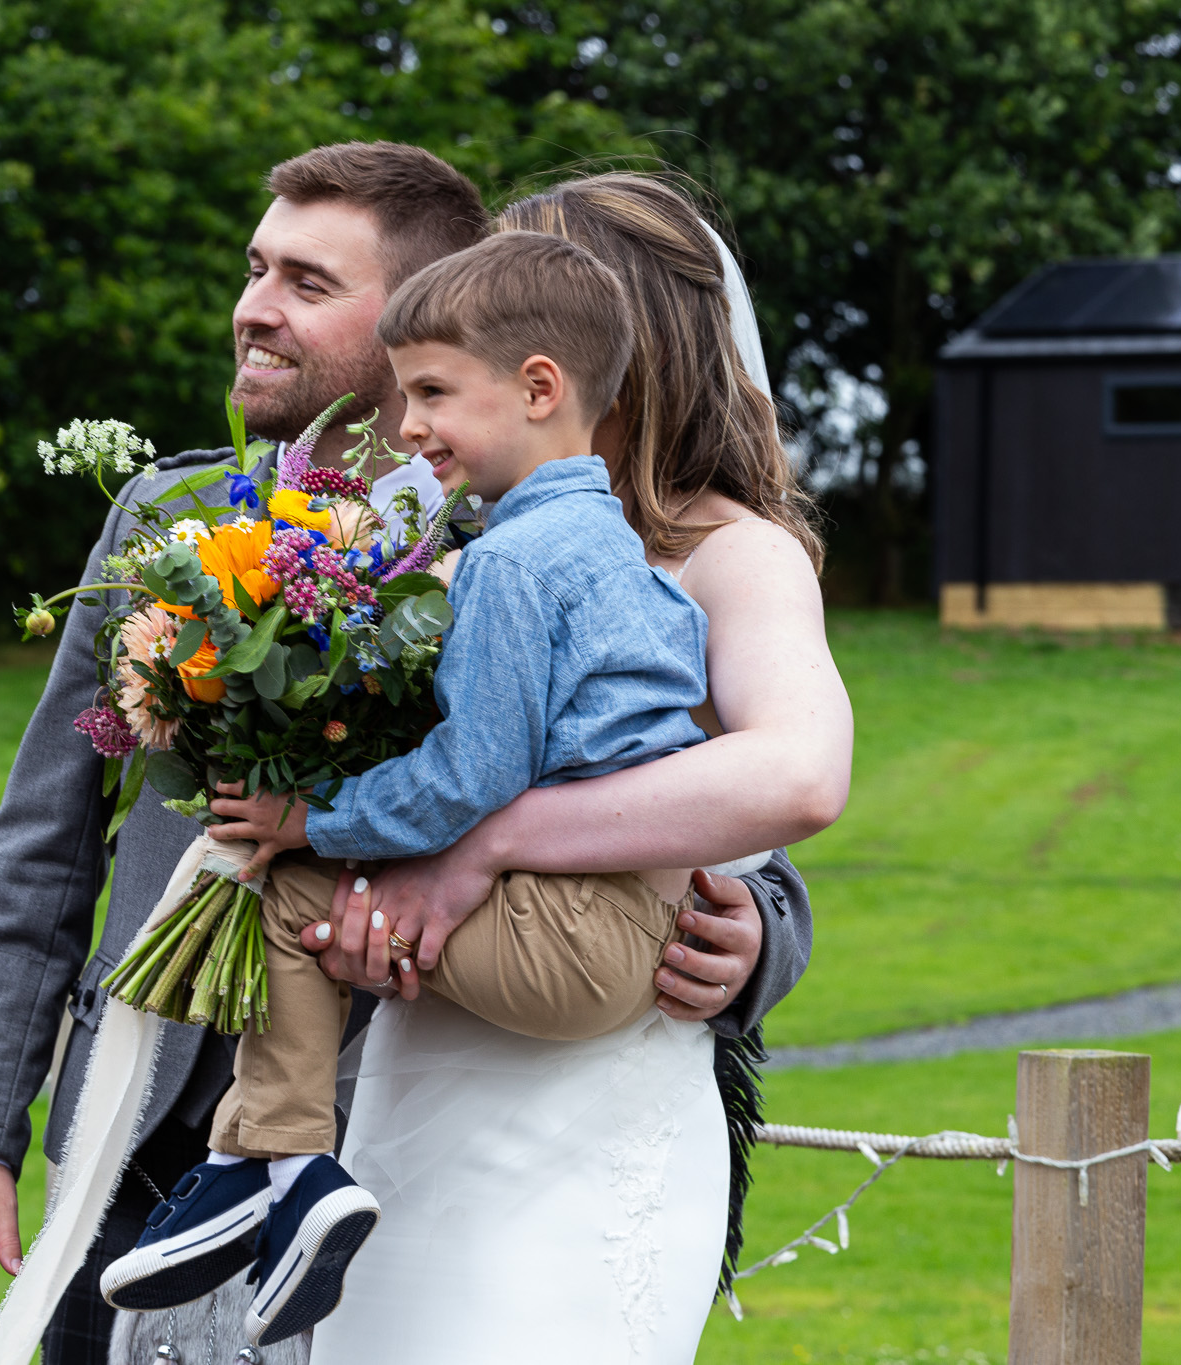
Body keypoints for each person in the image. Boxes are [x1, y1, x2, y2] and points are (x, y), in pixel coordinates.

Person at [0, 145, 817, 1365]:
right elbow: (45, 837)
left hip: (377, 1145)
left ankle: (276, 1171)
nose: (254, 308)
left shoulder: (517, 543)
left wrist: (759, 930)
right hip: (130, 1125)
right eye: (254, 269)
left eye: (306, 283)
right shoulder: (168, 520)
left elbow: (676, 784)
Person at [99, 228, 738, 1346]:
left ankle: (281, 1169)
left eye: (432, 393)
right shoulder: (614, 546)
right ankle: (260, 1169)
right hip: (634, 918)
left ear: (538, 389)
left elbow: (468, 778)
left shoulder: (508, 563)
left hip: (570, 933)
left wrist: (309, 818)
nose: (405, 426)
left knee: (292, 894)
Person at [293, 173, 853, 1363]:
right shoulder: (464, 545)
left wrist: (492, 841)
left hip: (582, 1100)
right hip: (422, 1075)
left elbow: (796, 776)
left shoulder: (727, 552)